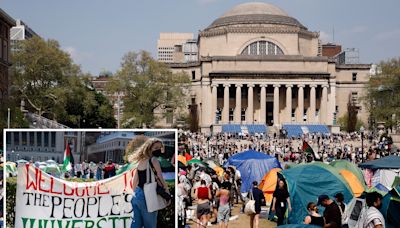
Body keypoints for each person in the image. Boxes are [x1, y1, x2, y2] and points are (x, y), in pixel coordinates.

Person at [129, 138, 170, 228]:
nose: (158, 149)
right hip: (148, 195)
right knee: (150, 225)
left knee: (136, 224)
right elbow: (160, 178)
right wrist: (167, 192)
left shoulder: (140, 161)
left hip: (137, 194)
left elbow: (134, 182)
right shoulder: (154, 160)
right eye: (156, 148)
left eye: (160, 147)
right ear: (149, 149)